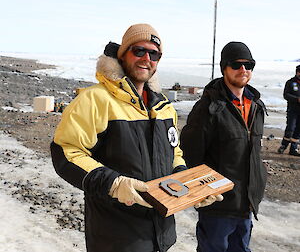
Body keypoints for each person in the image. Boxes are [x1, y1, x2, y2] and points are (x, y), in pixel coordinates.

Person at [50, 23, 219, 252]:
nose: (146, 58)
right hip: (116, 237)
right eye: (138, 50)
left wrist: (188, 187)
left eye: (154, 54)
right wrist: (113, 183)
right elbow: (67, 151)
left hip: (161, 234)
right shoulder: (95, 100)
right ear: (123, 55)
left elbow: (174, 154)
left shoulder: (163, 108)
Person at [180, 41, 267, 252]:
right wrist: (202, 192)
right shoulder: (208, 108)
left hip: (246, 203)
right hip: (218, 206)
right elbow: (190, 155)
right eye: (236, 65)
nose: (243, 70)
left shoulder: (256, 106)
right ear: (224, 68)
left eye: (249, 65)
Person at [277, 65, 300, 156]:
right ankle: (283, 146)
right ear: (297, 72)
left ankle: (293, 149)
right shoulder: (290, 82)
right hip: (292, 110)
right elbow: (286, 95)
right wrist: (297, 99)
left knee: (298, 131)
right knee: (290, 129)